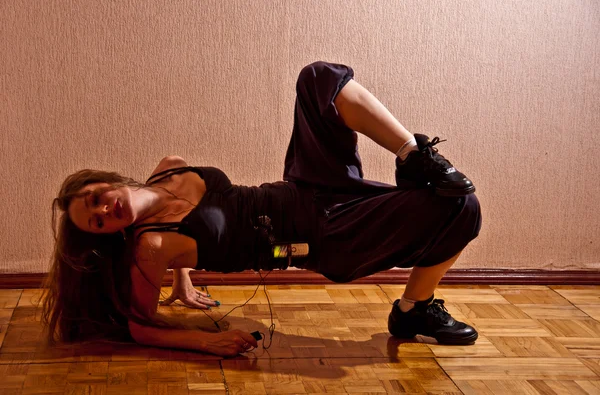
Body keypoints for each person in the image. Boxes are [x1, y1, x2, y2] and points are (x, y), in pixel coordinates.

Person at [42, 61, 482, 357]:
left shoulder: (167, 170)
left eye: (94, 198)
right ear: (104, 235)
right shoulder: (148, 248)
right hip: (322, 238)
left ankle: (414, 155)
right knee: (461, 206)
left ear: (100, 180)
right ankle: (413, 311)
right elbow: (141, 327)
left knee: (317, 78)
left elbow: (189, 232)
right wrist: (204, 341)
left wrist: (183, 276)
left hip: (307, 185)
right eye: (96, 223)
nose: (104, 210)